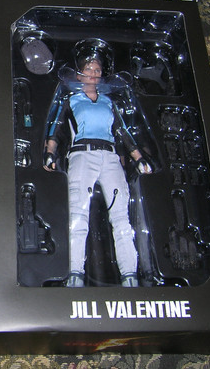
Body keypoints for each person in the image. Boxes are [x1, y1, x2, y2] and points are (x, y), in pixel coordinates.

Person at [43, 38, 152, 287]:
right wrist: (50, 153)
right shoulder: (71, 100)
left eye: (98, 70)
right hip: (83, 154)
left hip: (110, 157)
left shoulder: (108, 102)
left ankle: (130, 274)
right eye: (89, 69)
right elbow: (56, 128)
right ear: (79, 74)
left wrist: (138, 158)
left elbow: (122, 131)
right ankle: (75, 273)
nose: (94, 73)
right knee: (78, 214)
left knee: (121, 216)